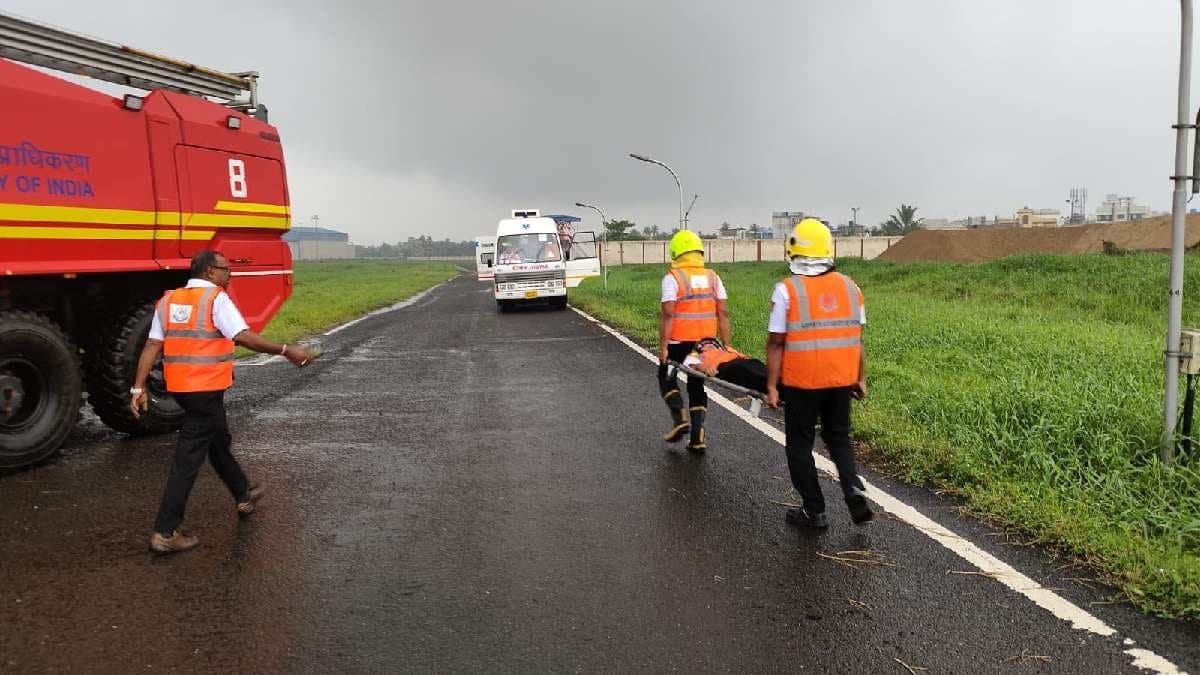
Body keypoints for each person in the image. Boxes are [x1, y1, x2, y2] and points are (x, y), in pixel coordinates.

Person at [130, 250, 313, 555]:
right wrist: (286, 350)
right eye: (226, 269)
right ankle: (165, 532)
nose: (230, 275)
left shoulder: (169, 300)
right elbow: (243, 337)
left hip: (182, 390)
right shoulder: (216, 299)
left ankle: (243, 493)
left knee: (217, 440)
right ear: (210, 272)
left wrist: (138, 387)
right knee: (187, 460)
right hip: (205, 390)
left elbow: (152, 344)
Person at [764, 218, 873, 529]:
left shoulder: (787, 290)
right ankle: (851, 487)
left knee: (799, 445)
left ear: (793, 250)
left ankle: (814, 510)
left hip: (802, 383)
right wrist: (860, 377)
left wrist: (772, 386)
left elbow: (776, 343)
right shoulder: (851, 287)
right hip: (841, 379)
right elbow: (856, 338)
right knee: (838, 437)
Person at [658, 230, 731, 453]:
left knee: (665, 376)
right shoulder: (713, 277)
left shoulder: (673, 278)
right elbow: (723, 313)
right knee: (696, 384)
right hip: (705, 345)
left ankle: (680, 418)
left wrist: (663, 347)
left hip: (679, 344)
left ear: (675, 252)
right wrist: (726, 347)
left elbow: (668, 314)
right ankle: (698, 436)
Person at [682, 337, 768, 394]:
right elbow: (695, 365)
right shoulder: (696, 355)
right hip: (728, 367)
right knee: (750, 373)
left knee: (761, 369)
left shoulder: (725, 349)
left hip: (746, 361)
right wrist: (706, 369)